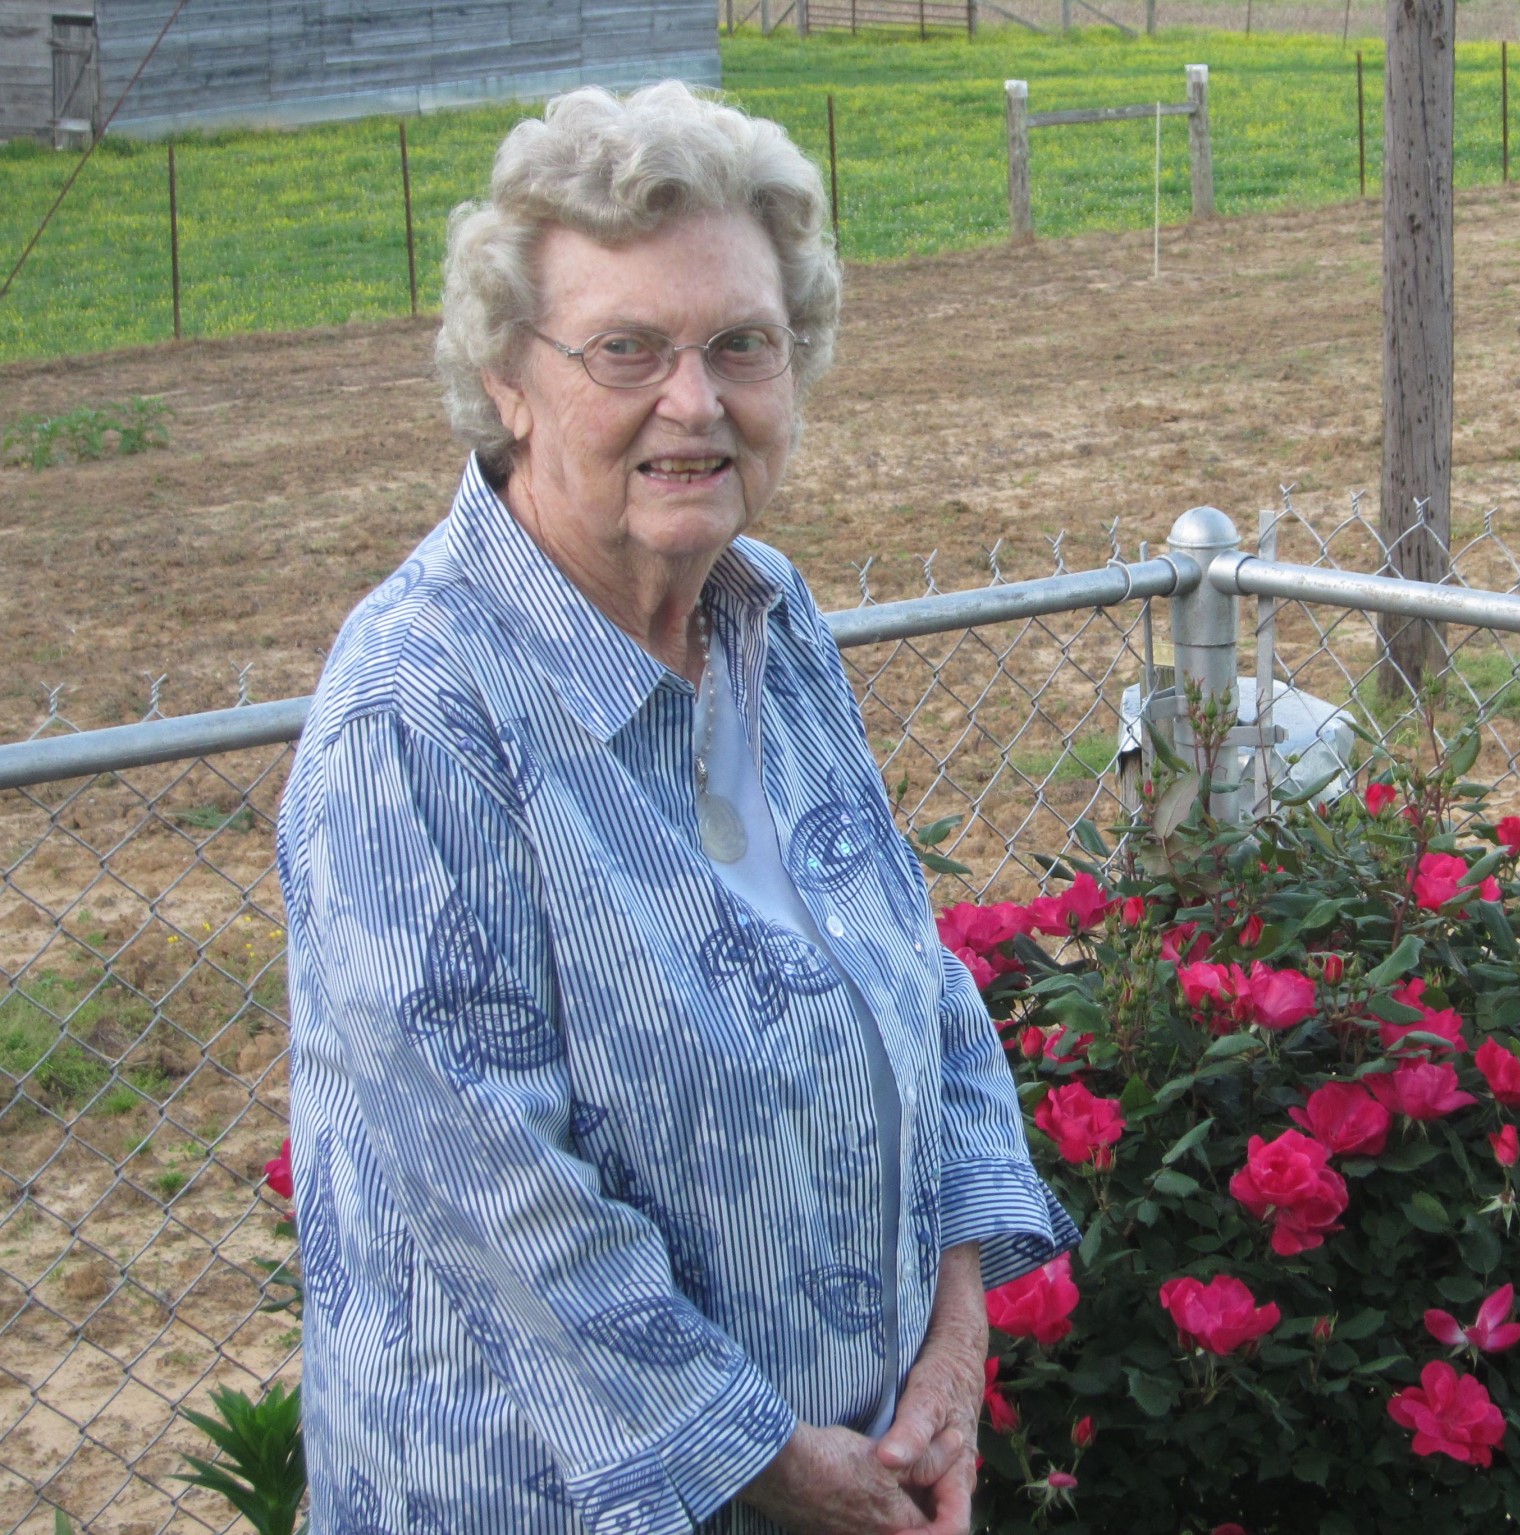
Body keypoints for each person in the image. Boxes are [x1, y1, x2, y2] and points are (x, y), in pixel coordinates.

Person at [276, 80, 1075, 1535]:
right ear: (508, 378)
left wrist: (954, 1350)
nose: (694, 403)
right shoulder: (419, 712)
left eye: (742, 346)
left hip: (869, 1468)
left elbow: (916, 981)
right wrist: (772, 1466)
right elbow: (497, 1193)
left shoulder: (770, 622)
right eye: (626, 349)